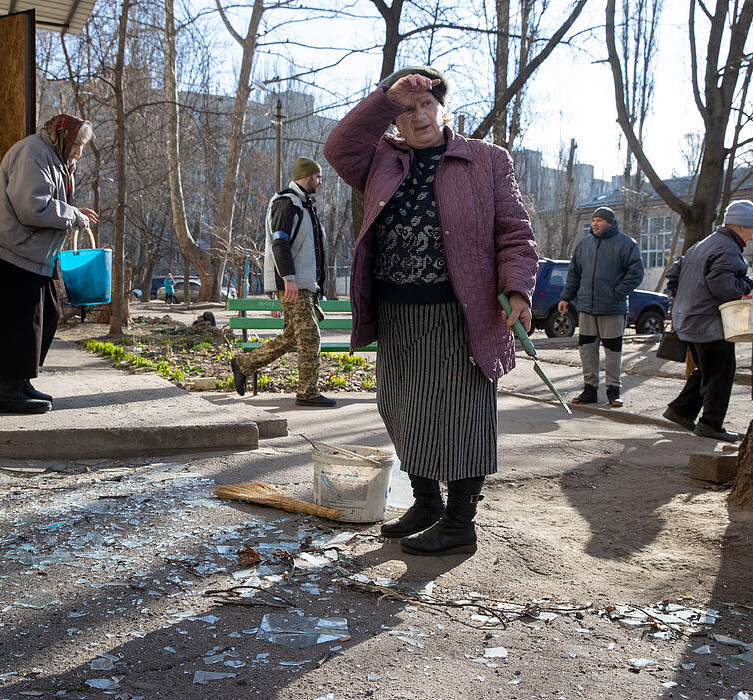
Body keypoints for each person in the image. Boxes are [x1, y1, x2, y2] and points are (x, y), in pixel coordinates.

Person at [324, 66, 538, 557]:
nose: (419, 116)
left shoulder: (486, 160)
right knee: (402, 407)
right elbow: (338, 147)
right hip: (399, 311)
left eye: (426, 104)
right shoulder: (380, 159)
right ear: (394, 119)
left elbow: (515, 233)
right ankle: (427, 504)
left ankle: (461, 523)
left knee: (463, 414)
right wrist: (384, 97)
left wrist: (519, 290)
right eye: (406, 109)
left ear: (442, 106)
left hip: (462, 312)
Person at [0, 114, 99, 414]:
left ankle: (21, 381)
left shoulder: (53, 159)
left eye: (82, 146)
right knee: (21, 323)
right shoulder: (33, 153)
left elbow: (44, 201)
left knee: (47, 316)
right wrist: (71, 215)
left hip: (28, 253)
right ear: (61, 136)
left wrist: (72, 212)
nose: (79, 151)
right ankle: (9, 392)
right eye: (76, 144)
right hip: (11, 249)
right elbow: (31, 206)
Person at [228, 157, 336, 408]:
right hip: (293, 284)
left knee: (292, 336)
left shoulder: (304, 204)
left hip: (304, 284)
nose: (320, 182)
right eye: (318, 177)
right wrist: (289, 279)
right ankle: (307, 393)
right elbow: (280, 243)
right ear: (307, 177)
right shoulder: (287, 203)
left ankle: (243, 364)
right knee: (310, 336)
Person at [662, 199, 753, 442]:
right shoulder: (728, 249)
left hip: (689, 319)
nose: (752, 237)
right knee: (721, 372)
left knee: (707, 370)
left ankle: (681, 410)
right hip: (710, 322)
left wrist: (686, 298)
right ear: (740, 227)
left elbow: (674, 275)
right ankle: (710, 424)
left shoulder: (704, 244)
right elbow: (723, 287)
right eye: (752, 230)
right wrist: (751, 283)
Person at [558, 207, 644, 407]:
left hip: (613, 308)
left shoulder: (626, 244)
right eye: (593, 220)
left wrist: (617, 293)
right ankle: (590, 389)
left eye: (599, 220)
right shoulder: (584, 245)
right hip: (587, 308)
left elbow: (636, 273)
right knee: (587, 350)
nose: (595, 223)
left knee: (613, 351)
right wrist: (566, 297)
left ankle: (614, 390)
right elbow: (574, 274)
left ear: (611, 223)